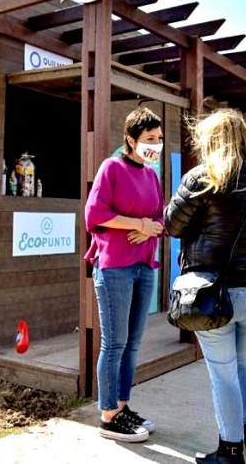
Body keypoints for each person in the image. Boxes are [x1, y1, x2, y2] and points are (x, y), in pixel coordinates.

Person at [164, 109, 246, 463]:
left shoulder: (203, 177)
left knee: (223, 373)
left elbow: (172, 225)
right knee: (243, 361)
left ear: (212, 141)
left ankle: (230, 451)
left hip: (215, 293)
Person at [84, 107, 165, 443]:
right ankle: (107, 416)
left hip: (144, 265)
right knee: (114, 343)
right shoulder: (112, 167)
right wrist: (137, 224)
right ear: (130, 140)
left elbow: (160, 219)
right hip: (115, 266)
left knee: (133, 344)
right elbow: (96, 213)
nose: (155, 146)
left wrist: (149, 230)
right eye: (149, 139)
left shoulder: (151, 175)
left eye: (159, 140)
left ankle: (122, 404)